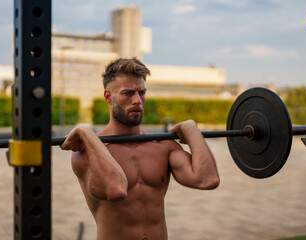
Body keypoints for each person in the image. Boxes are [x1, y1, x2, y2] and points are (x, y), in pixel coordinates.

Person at [60, 57, 220, 240]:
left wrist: (192, 130)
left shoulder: (163, 147)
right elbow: (116, 189)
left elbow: (207, 180)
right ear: (108, 97)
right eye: (128, 93)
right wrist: (86, 133)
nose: (137, 100)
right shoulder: (87, 153)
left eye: (142, 93)